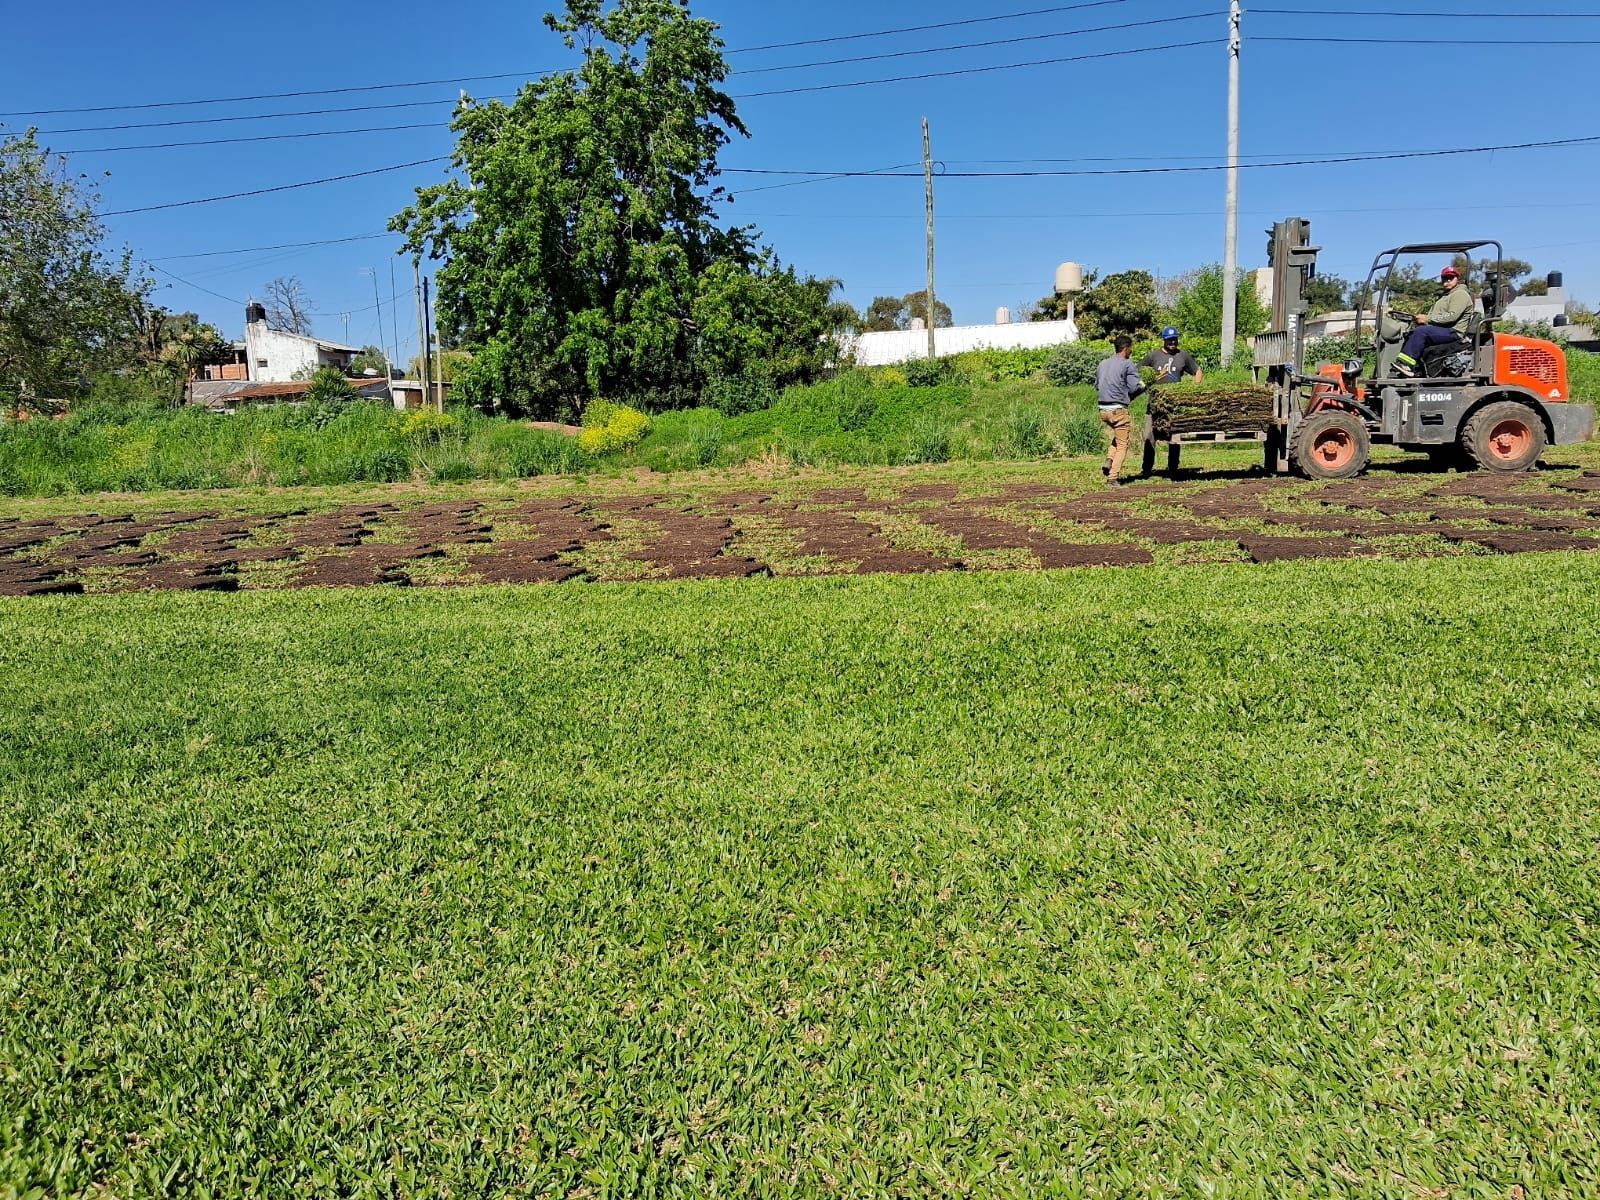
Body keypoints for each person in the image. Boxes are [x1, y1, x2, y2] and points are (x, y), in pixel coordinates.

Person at [1395, 265, 1474, 378]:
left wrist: (1427, 319)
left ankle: (1406, 365)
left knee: (1421, 332)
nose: (1447, 281)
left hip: (1454, 332)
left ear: (1457, 279)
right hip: (1444, 330)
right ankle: (1416, 368)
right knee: (1413, 333)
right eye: (1445, 278)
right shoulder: (1446, 296)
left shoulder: (1460, 294)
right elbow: (1436, 315)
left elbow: (1452, 316)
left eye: (1451, 278)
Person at [1095, 335, 1145, 486]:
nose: (1132, 351)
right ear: (1125, 349)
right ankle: (1112, 478)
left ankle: (1110, 459)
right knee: (1123, 444)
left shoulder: (1102, 363)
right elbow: (1134, 387)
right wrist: (1144, 385)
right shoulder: (1128, 364)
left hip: (1103, 410)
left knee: (1119, 436)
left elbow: (1097, 385)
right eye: (1131, 348)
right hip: (1118, 410)